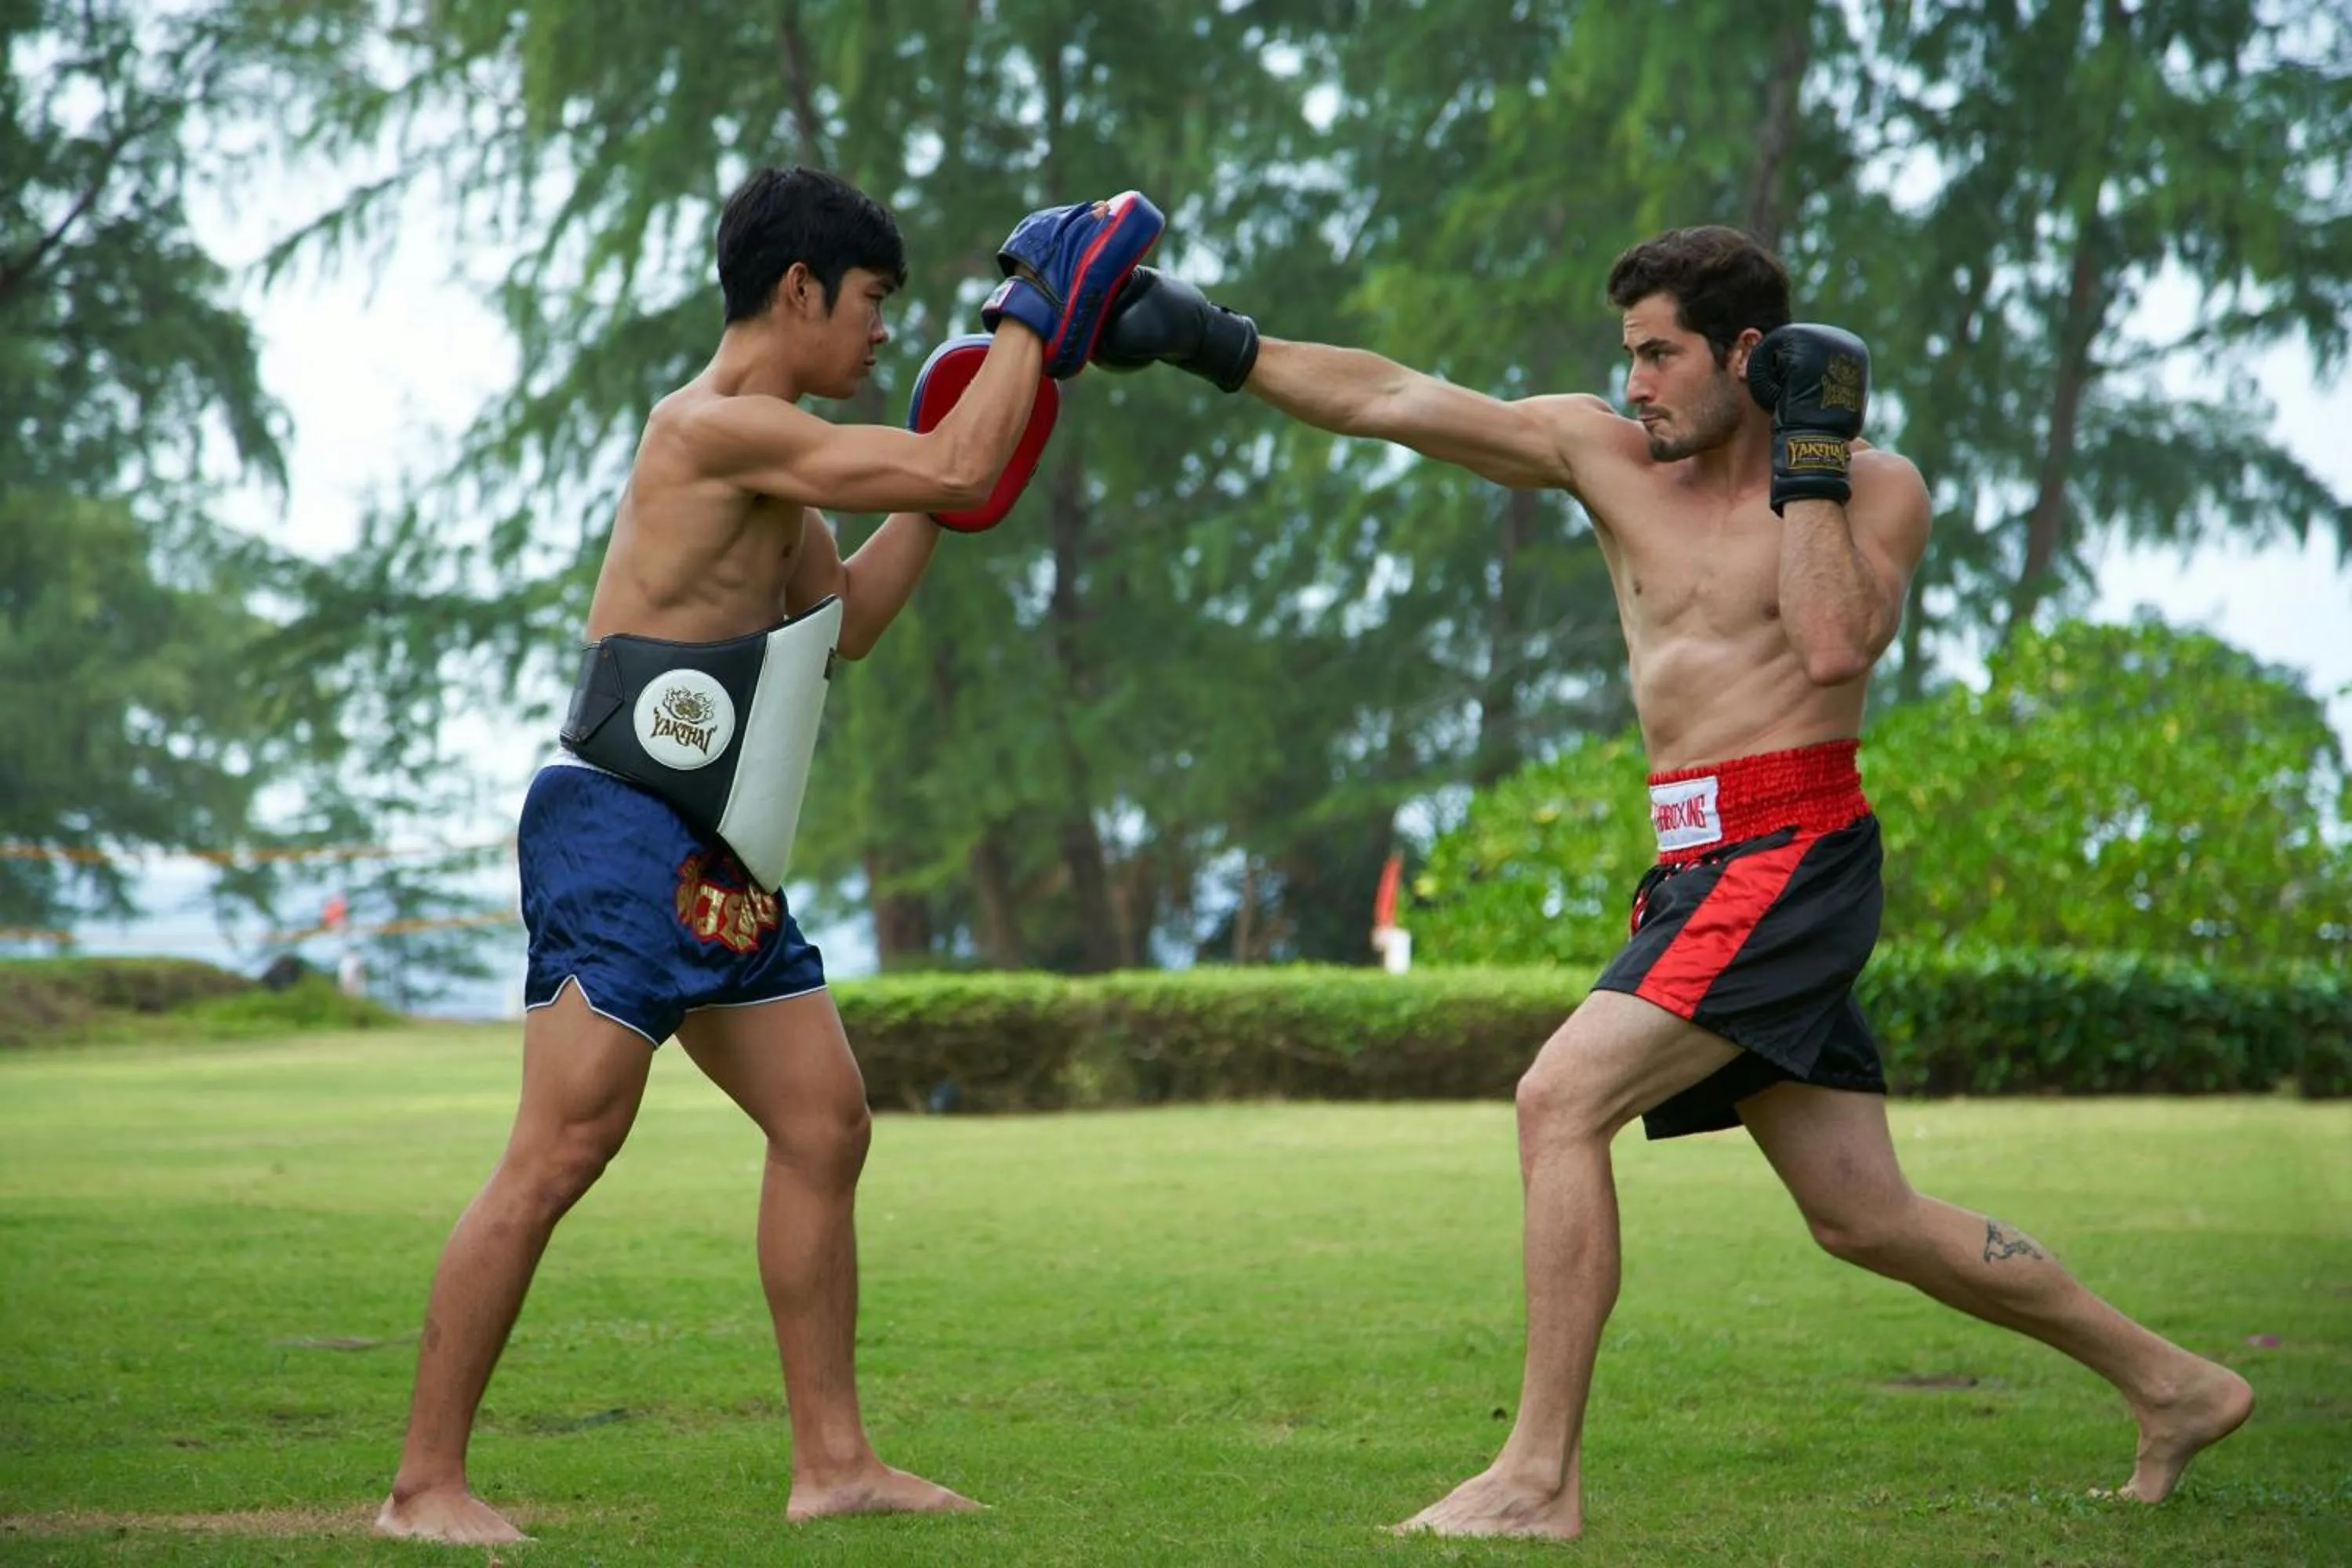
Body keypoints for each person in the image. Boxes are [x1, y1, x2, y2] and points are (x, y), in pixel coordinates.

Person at [1091, 227, 2256, 1538]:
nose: (1634, 381)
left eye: (1661, 354)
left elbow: (1829, 644)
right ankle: (2173, 1385)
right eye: (1627, 352)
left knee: (1558, 1099)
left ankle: (1535, 1477)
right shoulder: (1602, 454)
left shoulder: (1875, 489)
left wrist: (1807, 456)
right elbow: (1396, 398)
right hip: (1693, 868)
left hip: (1793, 854)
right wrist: (1209, 340)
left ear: (1748, 357)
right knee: (1864, 1216)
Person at [374, 165, 1161, 1544]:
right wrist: (1034, 315)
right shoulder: (710, 430)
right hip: (617, 825)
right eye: (870, 304)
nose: (878, 332)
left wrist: (946, 484)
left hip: (716, 845)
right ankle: (422, 1488)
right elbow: (958, 457)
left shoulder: (779, 457)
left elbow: (846, 620)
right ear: (797, 290)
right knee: (561, 1151)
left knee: (825, 1123)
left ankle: (835, 1463)